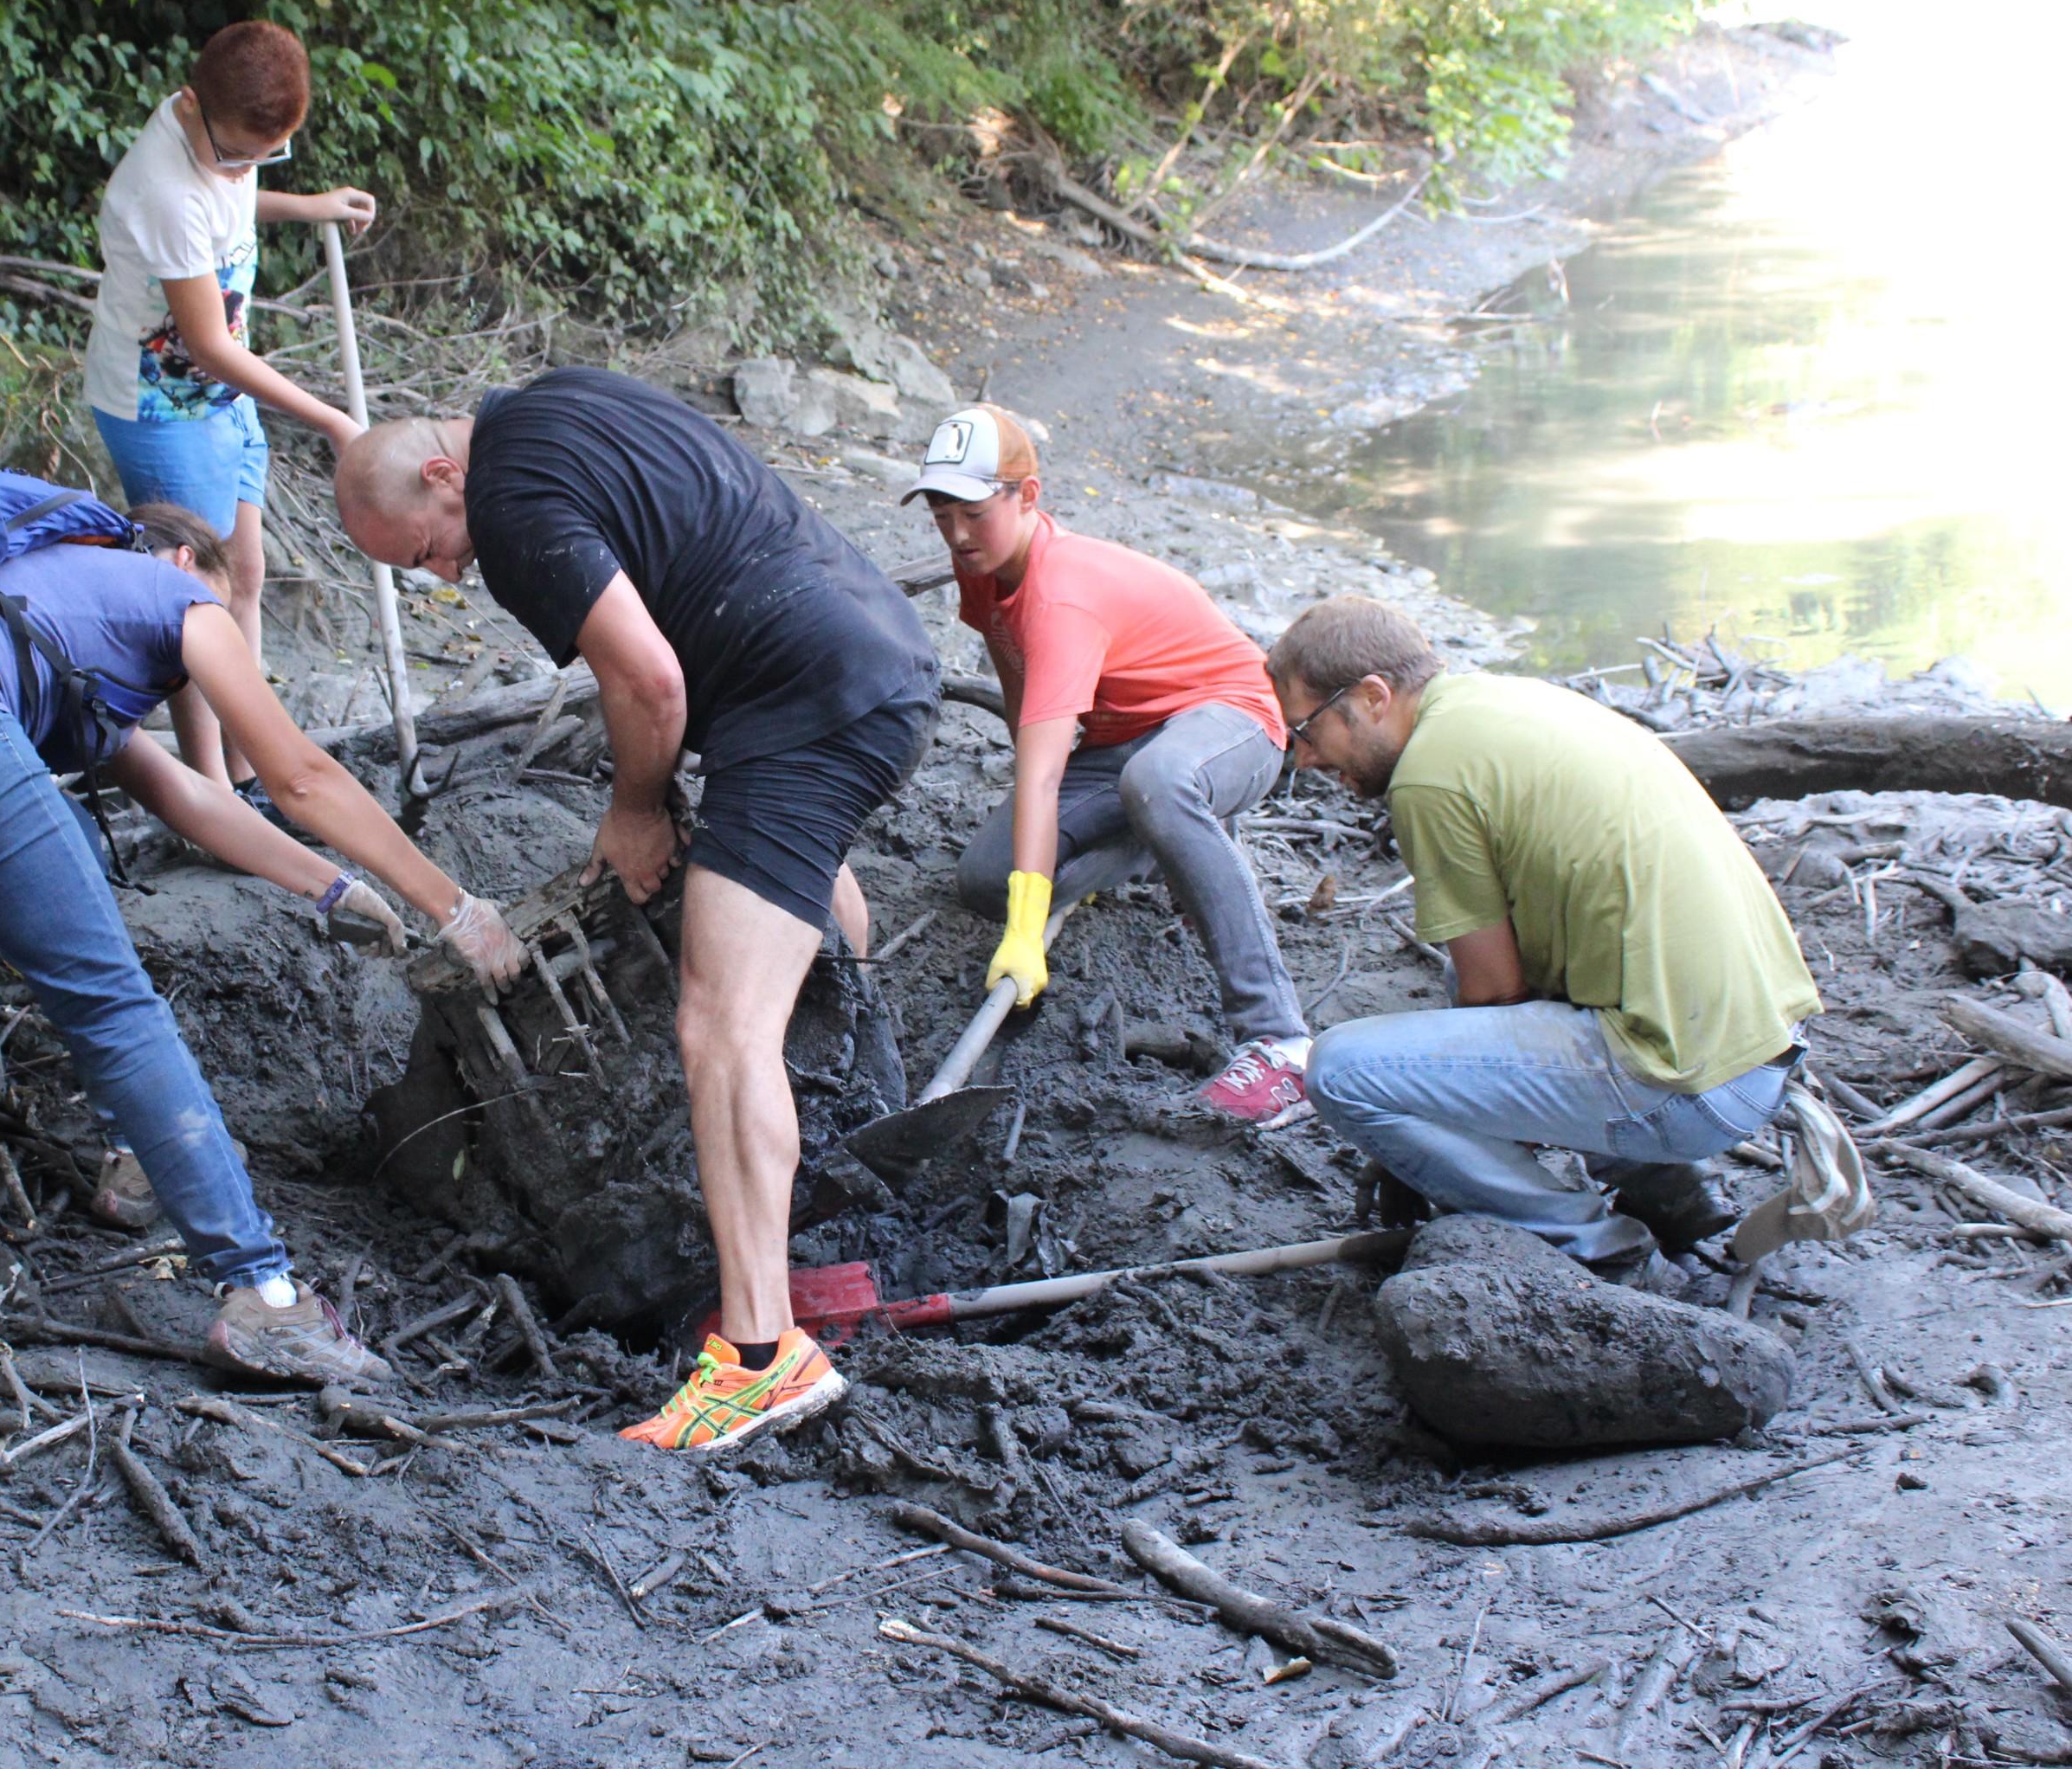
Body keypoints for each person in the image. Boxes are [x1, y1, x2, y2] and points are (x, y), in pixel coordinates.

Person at [0, 500, 528, 1384]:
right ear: (188, 563)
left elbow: (191, 798)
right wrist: (452, 908)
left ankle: (138, 1164)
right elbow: (295, 773)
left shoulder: (35, 603)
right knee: (111, 998)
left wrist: (333, 886)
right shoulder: (170, 596)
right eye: (226, 611)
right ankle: (265, 1299)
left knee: (68, 848)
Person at [334, 367, 941, 1453]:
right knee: (786, 894)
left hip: (800, 697)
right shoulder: (552, 404)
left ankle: (760, 1354)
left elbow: (652, 683)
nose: (447, 572)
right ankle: (847, 1118)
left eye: (425, 549)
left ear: (441, 476)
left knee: (718, 1023)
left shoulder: (510, 510)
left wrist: (636, 807)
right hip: (858, 650)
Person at [1267, 596, 1822, 1268]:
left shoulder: (1431, 780)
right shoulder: (1503, 706)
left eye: (1307, 730)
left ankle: (1594, 1246)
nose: (1304, 759)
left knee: (1344, 1072)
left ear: (1375, 696)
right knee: (1460, 971)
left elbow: (1495, 993)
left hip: (1690, 1091)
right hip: (1757, 1048)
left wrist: (1416, 1151)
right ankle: (1666, 1188)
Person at [913, 404, 1311, 1123]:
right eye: (942, 514)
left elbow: (1039, 775)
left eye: (972, 511)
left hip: (1229, 723)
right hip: (1121, 745)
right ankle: (1157, 842)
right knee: (984, 879)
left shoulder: (1064, 594)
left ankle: (1280, 1043)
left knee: (1157, 783)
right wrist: (1023, 889)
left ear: (1027, 497)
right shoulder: (983, 562)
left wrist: (1028, 932)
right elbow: (1019, 686)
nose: (957, 533)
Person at [82, 18, 378, 790]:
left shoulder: (216, 143)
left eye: (265, 155)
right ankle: (214, 790)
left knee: (245, 573)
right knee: (195, 604)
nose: (248, 167)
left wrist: (307, 204)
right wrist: (332, 420)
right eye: (240, 153)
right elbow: (209, 345)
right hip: (165, 412)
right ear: (191, 104)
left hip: (220, 399)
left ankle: (252, 769)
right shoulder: (164, 189)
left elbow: (234, 199)